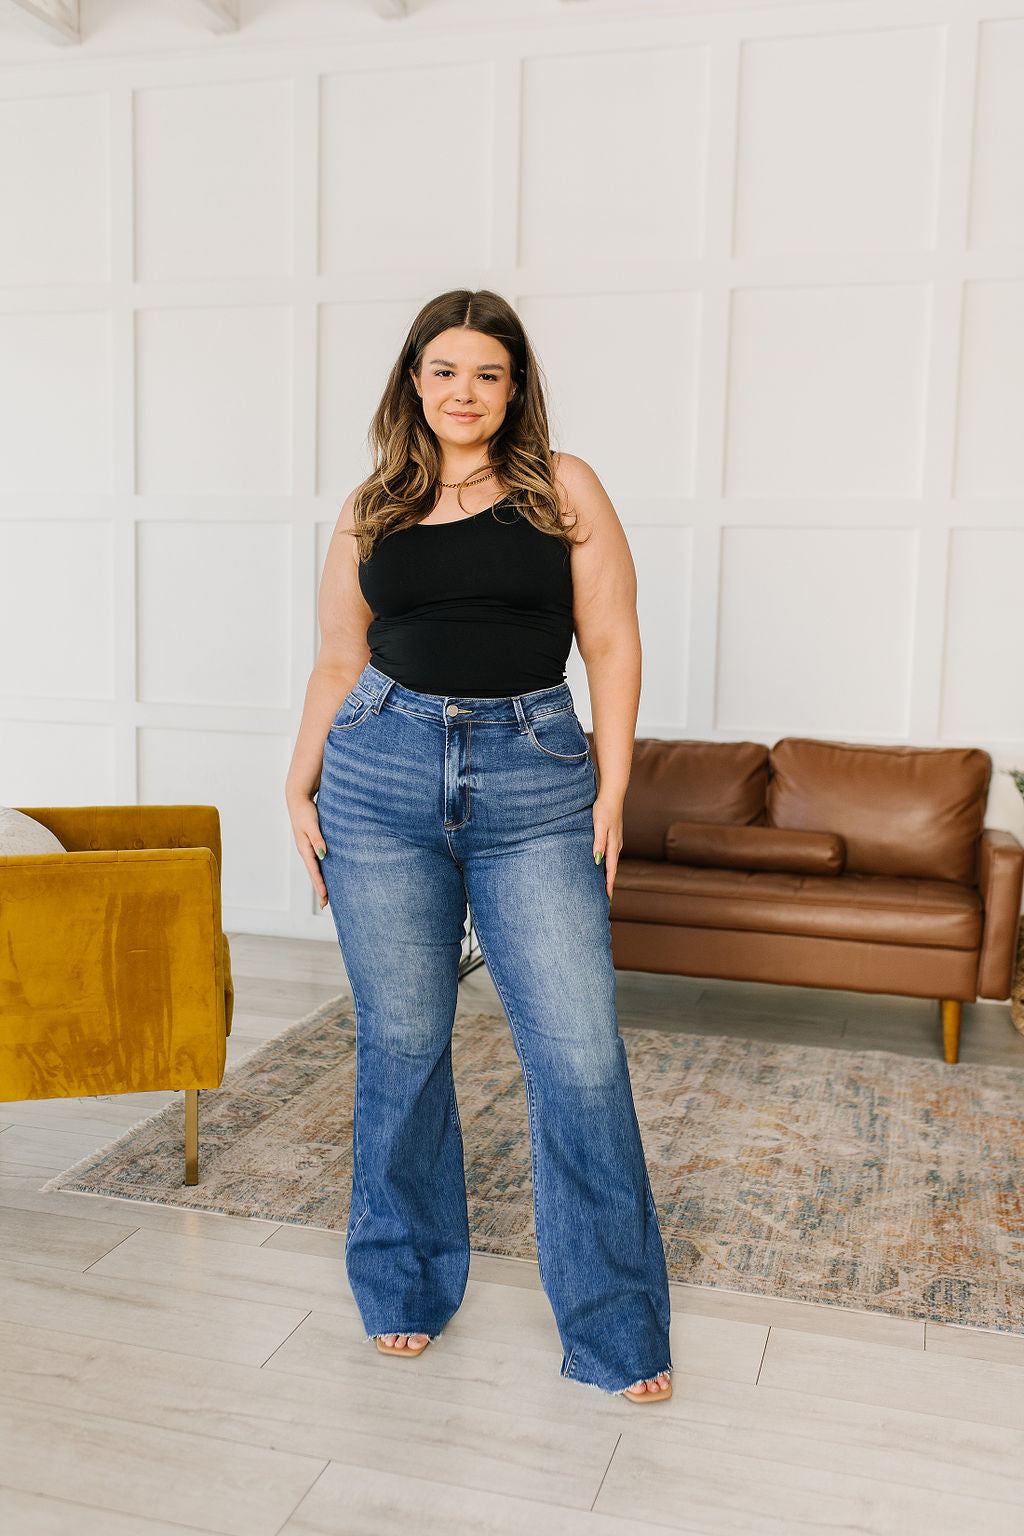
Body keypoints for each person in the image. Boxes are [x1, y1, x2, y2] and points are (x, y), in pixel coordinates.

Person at [285, 289, 672, 1403]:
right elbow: (337, 657)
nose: (466, 392)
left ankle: (614, 1326)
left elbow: (611, 640)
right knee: (402, 1042)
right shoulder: (371, 505)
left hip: (533, 777)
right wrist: (298, 777)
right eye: (445, 370)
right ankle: (402, 1281)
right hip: (378, 771)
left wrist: (612, 786)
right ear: (415, 382)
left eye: (488, 374)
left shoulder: (562, 486)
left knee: (579, 1055)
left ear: (514, 388)